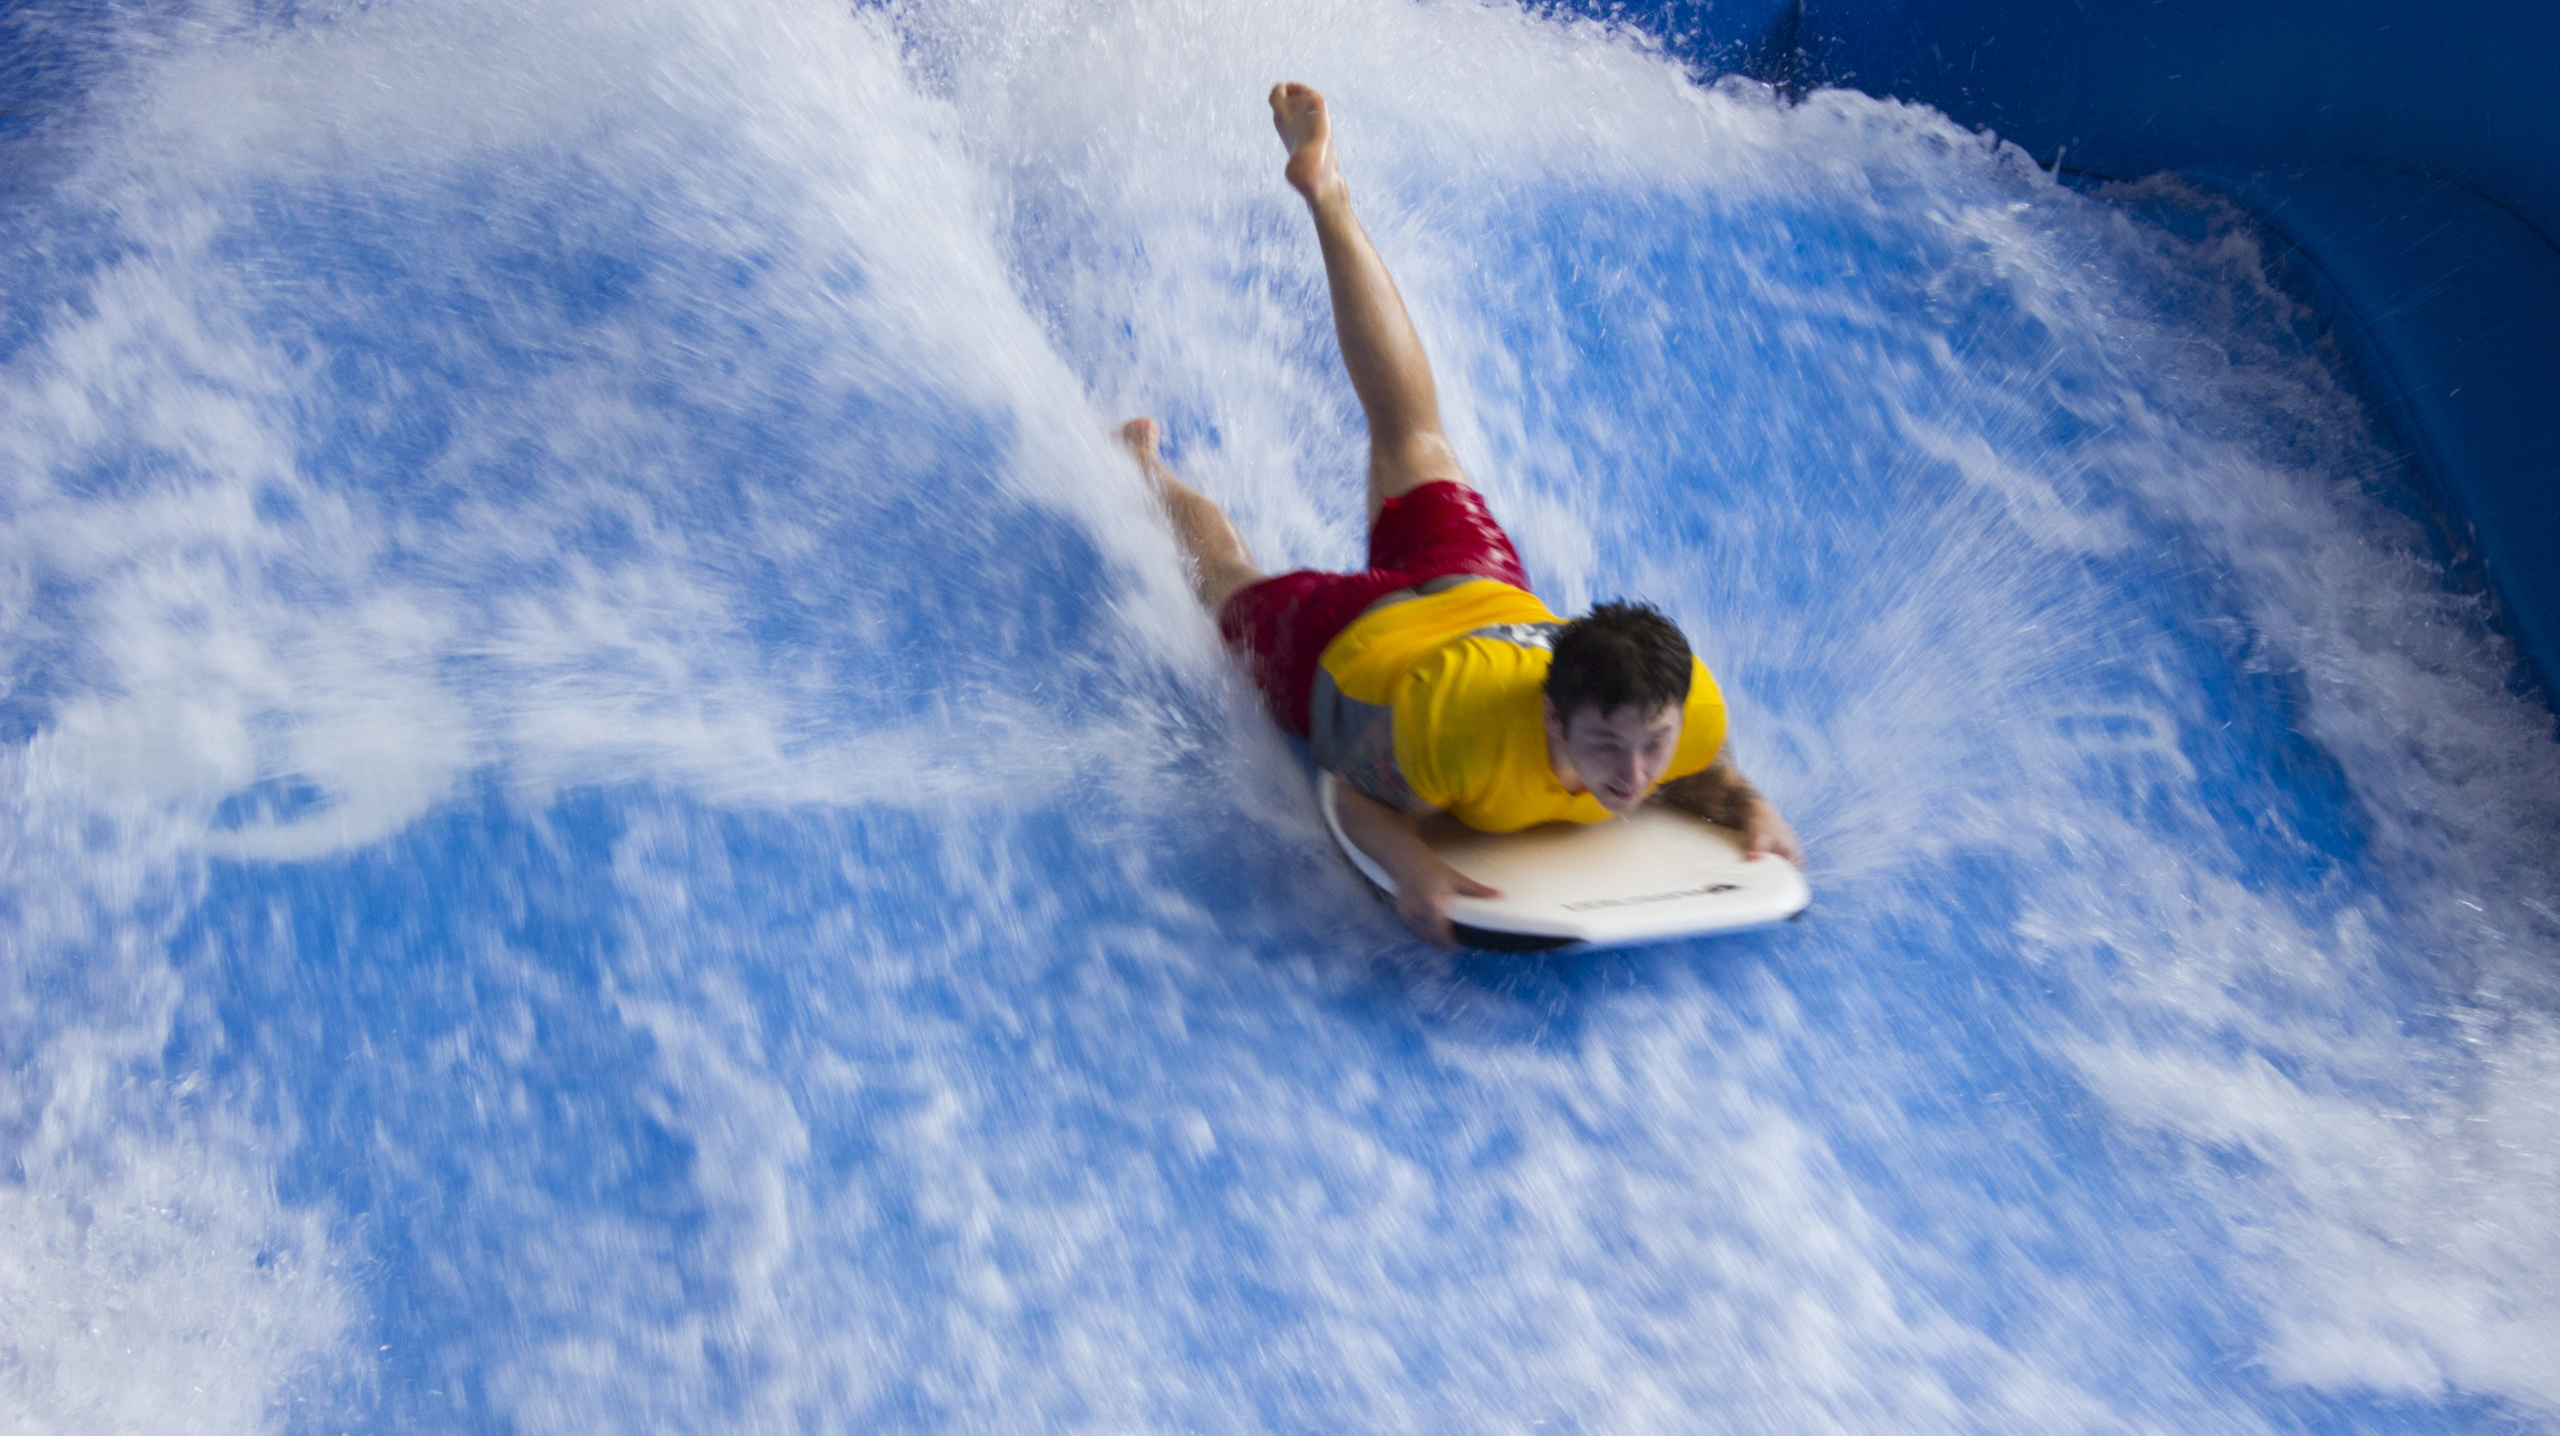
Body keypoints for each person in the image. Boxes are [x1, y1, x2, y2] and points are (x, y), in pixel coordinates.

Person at [1121, 81, 1802, 946]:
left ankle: (1328, 193)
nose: (1634, 776)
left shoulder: (1688, 709)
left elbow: (1701, 774)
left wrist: (1748, 807)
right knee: (1225, 582)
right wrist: (1415, 864)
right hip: (1351, 644)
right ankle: (1141, 467)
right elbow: (1356, 797)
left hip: (1478, 588)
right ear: (1550, 716)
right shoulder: (1454, 735)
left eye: (1651, 745)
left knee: (1417, 437)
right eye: (1605, 746)